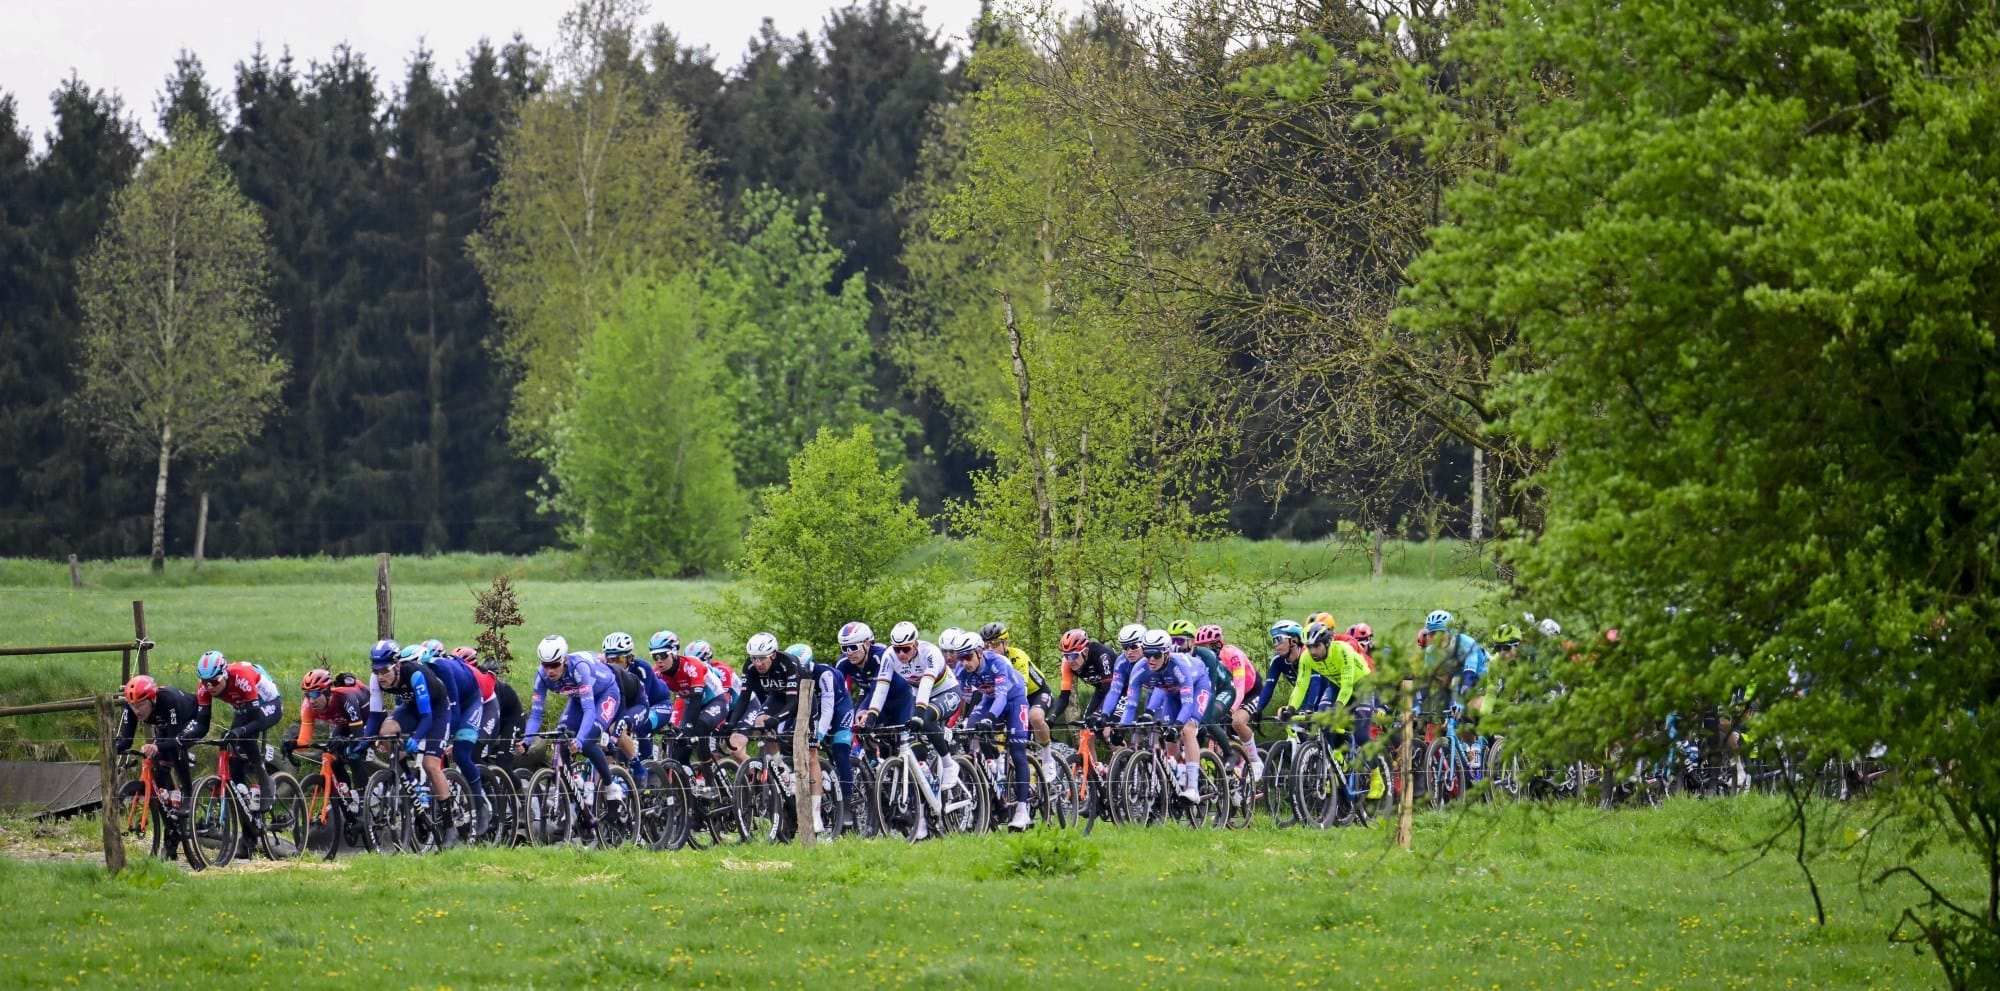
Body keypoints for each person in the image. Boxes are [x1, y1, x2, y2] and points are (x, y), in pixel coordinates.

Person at [725, 633, 857, 833]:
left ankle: (814, 813)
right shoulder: (750, 667)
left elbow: (794, 702)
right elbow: (744, 698)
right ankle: (781, 769)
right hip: (778, 698)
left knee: (809, 754)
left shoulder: (789, 664)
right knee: (761, 722)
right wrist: (732, 724)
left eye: (762, 658)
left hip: (803, 699)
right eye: (753, 658)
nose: (757, 663)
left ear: (773, 655)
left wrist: (777, 719)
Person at [365, 642, 468, 826]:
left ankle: (449, 824)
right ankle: (410, 778)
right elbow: (374, 716)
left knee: (430, 764)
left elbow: (427, 717)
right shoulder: (376, 679)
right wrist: (363, 743)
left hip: (436, 711)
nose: (380, 676)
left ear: (397, 666)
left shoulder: (415, 674)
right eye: (376, 671)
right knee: (385, 731)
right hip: (411, 708)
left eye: (385, 671)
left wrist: (416, 738)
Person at [520, 635, 623, 808]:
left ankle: (610, 786)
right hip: (577, 699)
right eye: (546, 665)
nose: (550, 671)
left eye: (554, 665)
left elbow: (589, 710)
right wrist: (527, 741)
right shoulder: (542, 677)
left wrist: (580, 740)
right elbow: (536, 715)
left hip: (605, 693)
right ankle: (571, 798)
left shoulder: (579, 668)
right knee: (561, 739)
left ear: (565, 660)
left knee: (589, 742)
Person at [178, 650, 283, 819]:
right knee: (234, 762)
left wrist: (240, 731)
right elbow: (202, 725)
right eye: (205, 682)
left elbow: (256, 720)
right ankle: (247, 812)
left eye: (214, 681)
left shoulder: (242, 677)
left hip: (268, 704)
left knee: (245, 737)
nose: (209, 687)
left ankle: (265, 781)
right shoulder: (204, 688)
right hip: (243, 708)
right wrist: (185, 738)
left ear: (225, 674)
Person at [950, 629, 1034, 830]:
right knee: (970, 731)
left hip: (1014, 700)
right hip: (989, 700)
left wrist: (989, 719)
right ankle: (994, 766)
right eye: (960, 658)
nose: (964, 662)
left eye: (968, 657)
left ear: (980, 652)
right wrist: (949, 724)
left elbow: (1002, 696)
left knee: (1017, 752)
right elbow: (956, 699)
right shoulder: (962, 670)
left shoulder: (997, 662)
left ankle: (1022, 810)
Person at [1118, 629, 1212, 804]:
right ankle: (1176, 778)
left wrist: (1177, 725)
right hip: (1170, 692)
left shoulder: (1179, 667)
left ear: (1167, 653)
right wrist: (1123, 727)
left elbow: (1187, 704)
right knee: (1169, 741)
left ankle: (1192, 787)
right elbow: (1131, 704)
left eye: (1156, 654)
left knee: (1187, 730)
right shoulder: (1141, 668)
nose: (1151, 659)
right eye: (1147, 654)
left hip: (1197, 686)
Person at [883, 621, 963, 793]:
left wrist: (920, 712)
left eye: (906, 648)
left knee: (925, 718)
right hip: (920, 696)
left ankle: (949, 764)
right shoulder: (889, 656)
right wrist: (872, 715)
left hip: (946, 692)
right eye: (897, 649)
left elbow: (926, 685)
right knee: (912, 740)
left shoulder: (930, 653)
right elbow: (880, 690)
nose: (901, 653)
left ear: (915, 644)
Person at [285, 668, 371, 806]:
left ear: (327, 692)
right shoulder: (308, 706)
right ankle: (348, 798)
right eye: (307, 695)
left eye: (315, 694)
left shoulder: (345, 698)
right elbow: (304, 740)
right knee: (331, 754)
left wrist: (347, 742)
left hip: (369, 719)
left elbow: (358, 736)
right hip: (345, 723)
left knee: (354, 753)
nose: (311, 700)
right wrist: (292, 744)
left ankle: (363, 800)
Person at [651, 630, 731, 771]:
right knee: (678, 744)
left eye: (663, 655)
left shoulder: (691, 665)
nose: (659, 660)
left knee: (699, 728)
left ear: (674, 652)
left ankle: (709, 778)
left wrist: (688, 727)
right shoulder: (657, 672)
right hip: (691, 703)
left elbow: (696, 698)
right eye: (654, 656)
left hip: (715, 701)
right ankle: (688, 782)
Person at [601, 632, 674, 786]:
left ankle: (649, 770)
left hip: (657, 704)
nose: (614, 663)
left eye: (619, 658)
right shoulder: (605, 670)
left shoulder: (641, 668)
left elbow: (641, 701)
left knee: (641, 725)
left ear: (629, 657)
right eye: (610, 659)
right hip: (632, 706)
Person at [115, 674, 198, 806]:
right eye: (133, 706)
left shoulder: (169, 700)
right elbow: (126, 741)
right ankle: (171, 803)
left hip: (191, 717)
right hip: (165, 723)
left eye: (141, 705)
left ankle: (188, 794)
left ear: (152, 699)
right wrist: (110, 749)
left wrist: (157, 746)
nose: (137, 711)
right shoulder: (132, 707)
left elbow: (174, 739)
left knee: (174, 750)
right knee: (158, 762)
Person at [979, 622, 1055, 763]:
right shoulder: (984, 662)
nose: (989, 649)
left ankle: (1047, 756)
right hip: (1006, 697)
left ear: (1005, 643)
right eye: (986, 645)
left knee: (1035, 717)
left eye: (994, 644)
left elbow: (1022, 691)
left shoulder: (1018, 657)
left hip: (1035, 693)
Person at [1051, 628, 1119, 725]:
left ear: (1086, 651)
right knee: (1087, 725)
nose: (1070, 660)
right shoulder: (1066, 663)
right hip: (1102, 690)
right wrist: (1052, 717)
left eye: (1073, 655)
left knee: (1109, 728)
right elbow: (1064, 697)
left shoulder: (1102, 655)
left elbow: (1109, 690)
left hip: (1121, 689)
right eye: (1066, 656)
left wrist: (1097, 714)